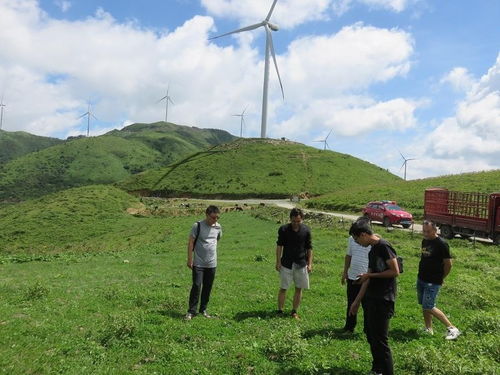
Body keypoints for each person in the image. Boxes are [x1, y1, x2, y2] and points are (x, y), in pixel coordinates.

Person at [349, 220, 399, 375]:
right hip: (372, 297)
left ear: (364, 235)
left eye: (357, 239)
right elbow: (368, 278)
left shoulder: (384, 246)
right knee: (371, 336)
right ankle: (377, 369)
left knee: (381, 341)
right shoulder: (372, 250)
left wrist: (370, 275)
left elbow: (395, 271)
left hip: (384, 299)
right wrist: (356, 301)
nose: (357, 243)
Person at [417, 220, 460, 339]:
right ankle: (428, 328)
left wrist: (441, 278)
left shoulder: (442, 244)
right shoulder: (425, 240)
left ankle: (453, 329)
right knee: (424, 305)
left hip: (433, 281)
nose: (425, 233)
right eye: (424, 231)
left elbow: (448, 264)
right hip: (421, 278)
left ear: (435, 230)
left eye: (428, 231)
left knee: (429, 306)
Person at [185, 205, 222, 320]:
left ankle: (203, 309)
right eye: (213, 218)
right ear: (206, 215)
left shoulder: (218, 227)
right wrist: (190, 259)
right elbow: (191, 242)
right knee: (196, 285)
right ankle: (191, 311)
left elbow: (217, 239)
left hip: (211, 263)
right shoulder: (198, 226)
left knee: (208, 287)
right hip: (198, 262)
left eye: (217, 218)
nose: (215, 220)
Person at [275, 208, 313, 319]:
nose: (295, 224)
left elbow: (309, 248)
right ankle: (280, 311)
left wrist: (310, 264)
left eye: (298, 221)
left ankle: (294, 311)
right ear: (290, 219)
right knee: (283, 288)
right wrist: (278, 261)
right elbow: (279, 246)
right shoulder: (283, 229)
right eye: (293, 221)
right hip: (286, 263)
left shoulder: (306, 230)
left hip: (301, 263)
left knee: (299, 288)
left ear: (302, 219)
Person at [341, 227, 371, 333]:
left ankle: (368, 329)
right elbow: (348, 256)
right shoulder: (351, 239)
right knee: (351, 302)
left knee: (367, 305)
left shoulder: (371, 242)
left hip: (366, 278)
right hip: (353, 276)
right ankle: (349, 327)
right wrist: (345, 272)